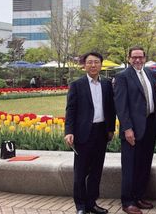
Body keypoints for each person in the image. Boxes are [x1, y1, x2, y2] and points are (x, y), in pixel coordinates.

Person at [64, 52, 116, 214]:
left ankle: (91, 203)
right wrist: (69, 131)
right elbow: (70, 110)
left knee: (96, 171)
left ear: (101, 65)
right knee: (80, 172)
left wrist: (111, 129)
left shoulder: (107, 84)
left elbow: (111, 108)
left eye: (96, 62)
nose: (93, 65)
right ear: (84, 65)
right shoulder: (77, 85)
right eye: (89, 62)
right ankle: (80, 206)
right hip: (83, 133)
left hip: (101, 132)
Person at [114, 46, 156, 214]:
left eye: (140, 57)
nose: (138, 60)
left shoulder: (149, 73)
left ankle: (139, 197)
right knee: (130, 166)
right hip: (132, 129)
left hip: (149, 127)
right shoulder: (122, 76)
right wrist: (127, 129)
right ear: (129, 58)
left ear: (145, 57)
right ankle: (128, 201)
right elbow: (121, 105)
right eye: (134, 57)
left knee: (144, 165)